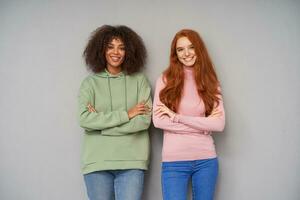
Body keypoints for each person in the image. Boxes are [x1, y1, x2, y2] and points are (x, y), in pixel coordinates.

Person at [78, 25, 152, 200]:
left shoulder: (140, 81)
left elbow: (143, 121)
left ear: (129, 51)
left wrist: (100, 127)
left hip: (132, 162)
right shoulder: (90, 84)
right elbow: (84, 119)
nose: (116, 52)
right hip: (97, 162)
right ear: (101, 50)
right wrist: (127, 114)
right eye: (110, 46)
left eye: (122, 47)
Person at [153, 29, 225, 200]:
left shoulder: (210, 81)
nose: (186, 53)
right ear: (175, 53)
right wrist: (202, 126)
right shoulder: (165, 80)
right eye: (180, 49)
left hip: (206, 161)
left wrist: (176, 116)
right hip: (174, 162)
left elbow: (219, 124)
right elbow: (158, 121)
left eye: (191, 47)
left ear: (198, 49)